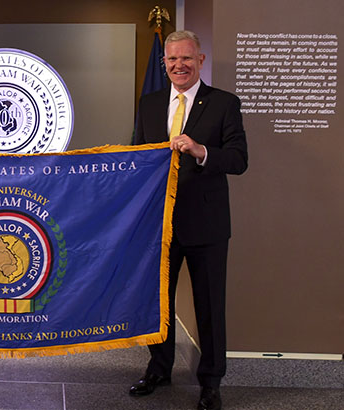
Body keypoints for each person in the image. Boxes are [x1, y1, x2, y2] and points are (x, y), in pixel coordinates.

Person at [131, 31, 248, 410]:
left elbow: (238, 159)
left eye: (186, 59)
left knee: (209, 306)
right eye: (172, 60)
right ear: (163, 64)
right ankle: (158, 369)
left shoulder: (224, 103)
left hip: (207, 225)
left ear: (200, 60)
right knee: (159, 304)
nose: (179, 66)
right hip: (159, 225)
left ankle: (211, 383)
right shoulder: (148, 103)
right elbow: (136, 155)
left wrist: (200, 151)